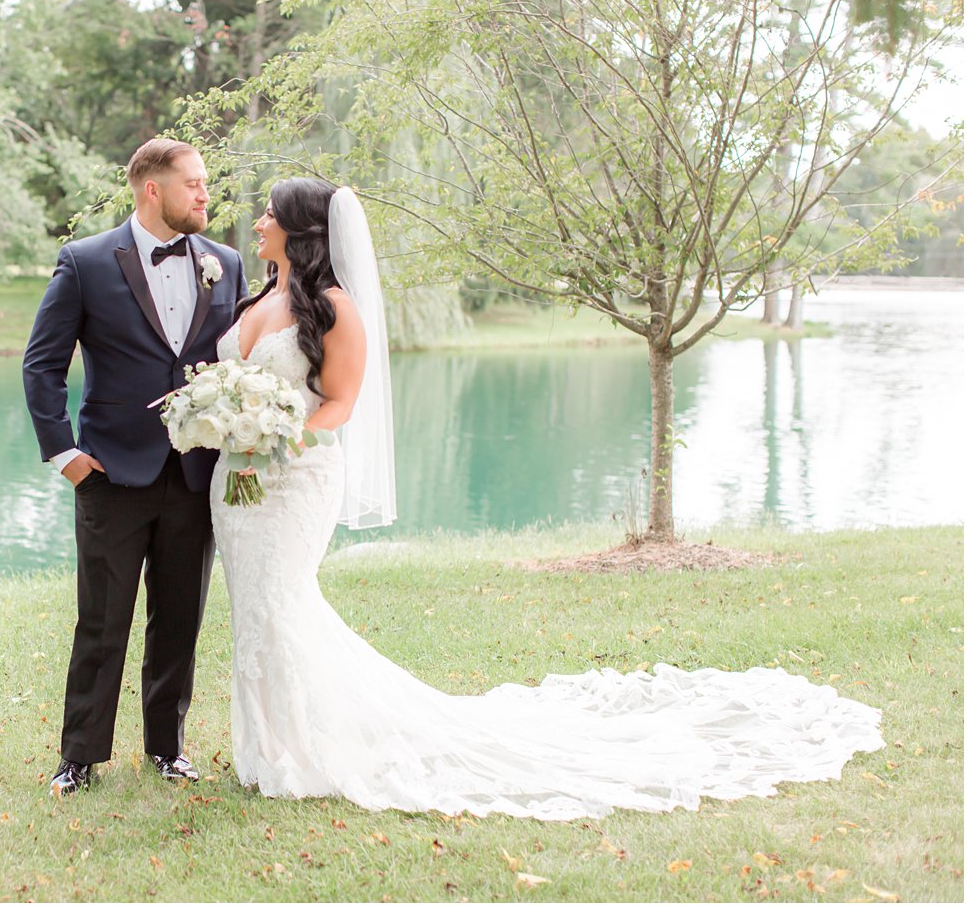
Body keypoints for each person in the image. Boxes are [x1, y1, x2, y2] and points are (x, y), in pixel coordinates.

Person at [211, 178, 884, 819]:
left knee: (282, 603)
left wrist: (277, 440)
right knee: (255, 608)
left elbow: (340, 405)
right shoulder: (258, 296)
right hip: (235, 483)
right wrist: (221, 420)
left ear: (300, 231)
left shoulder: (335, 308)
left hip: (293, 482)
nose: (260, 220)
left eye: (271, 212)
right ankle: (266, 742)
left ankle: (298, 748)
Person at [23, 138, 248, 796]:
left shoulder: (225, 263)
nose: (206, 195)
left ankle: (167, 746)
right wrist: (64, 453)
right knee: (102, 620)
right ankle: (80, 755)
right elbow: (42, 362)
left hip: (193, 475)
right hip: (110, 475)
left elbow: (236, 362)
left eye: (205, 184)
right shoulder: (87, 261)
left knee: (180, 618)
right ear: (152, 188)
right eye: (195, 184)